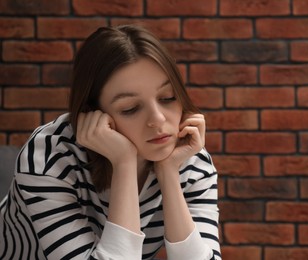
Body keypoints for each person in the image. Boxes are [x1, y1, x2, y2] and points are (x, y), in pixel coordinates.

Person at [0, 25, 220, 260]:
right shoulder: (48, 158)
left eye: (167, 98)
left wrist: (168, 173)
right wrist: (124, 163)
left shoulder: (190, 159)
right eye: (130, 108)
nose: (158, 119)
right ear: (93, 113)